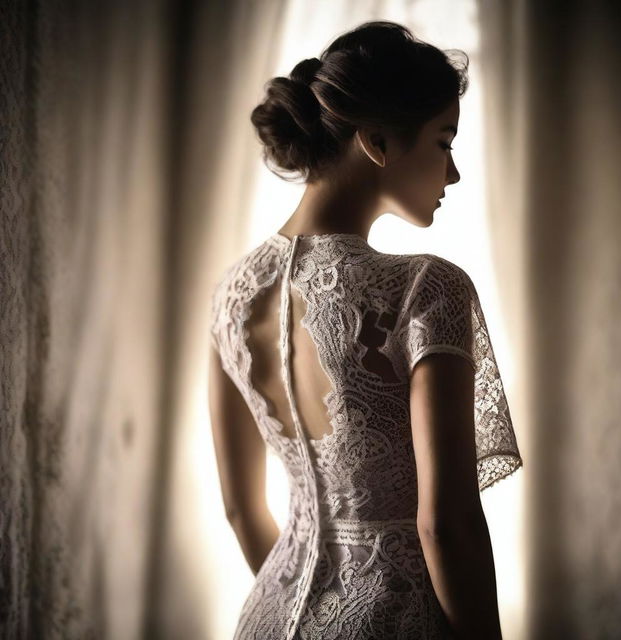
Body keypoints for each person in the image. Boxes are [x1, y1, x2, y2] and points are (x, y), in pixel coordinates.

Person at [208, 20, 523, 640]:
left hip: (268, 616)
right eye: (443, 141)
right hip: (391, 619)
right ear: (377, 141)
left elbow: (242, 511)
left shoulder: (231, 294)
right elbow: (447, 524)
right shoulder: (425, 288)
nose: (453, 173)